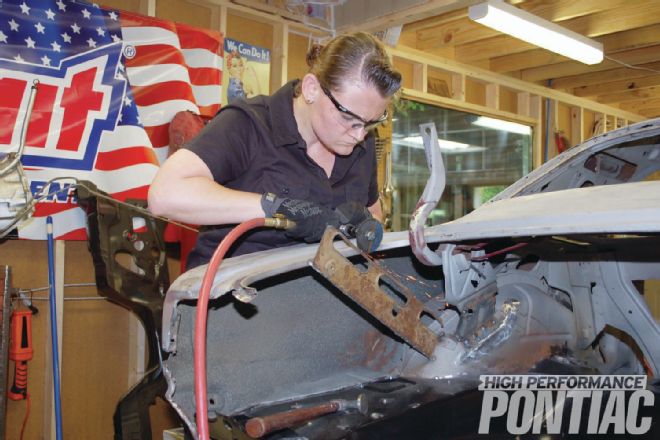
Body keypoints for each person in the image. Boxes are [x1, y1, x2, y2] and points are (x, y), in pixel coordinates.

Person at [148, 31, 402, 269]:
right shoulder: (249, 123)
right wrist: (276, 208)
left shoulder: (363, 142)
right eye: (350, 119)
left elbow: (374, 213)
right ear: (312, 89)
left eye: (370, 122)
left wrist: (362, 227)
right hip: (233, 295)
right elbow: (164, 195)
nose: (359, 135)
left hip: (315, 299)